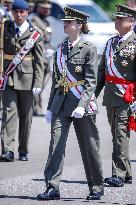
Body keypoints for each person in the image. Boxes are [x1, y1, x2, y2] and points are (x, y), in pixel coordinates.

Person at [37, 6, 104, 201]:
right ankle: (52, 187)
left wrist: (83, 105)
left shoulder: (89, 49)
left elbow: (91, 81)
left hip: (81, 105)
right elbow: (58, 81)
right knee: (55, 146)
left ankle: (96, 187)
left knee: (89, 146)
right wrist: (49, 106)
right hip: (61, 104)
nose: (65, 23)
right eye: (65, 21)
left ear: (79, 25)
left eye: (69, 21)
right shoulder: (61, 48)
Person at [95, 4, 136, 187]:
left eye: (121, 18)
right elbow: (102, 71)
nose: (117, 21)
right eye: (116, 18)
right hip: (111, 96)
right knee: (117, 134)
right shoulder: (111, 42)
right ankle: (126, 172)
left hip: (127, 97)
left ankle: (118, 175)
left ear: (131, 22)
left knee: (120, 135)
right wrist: (92, 95)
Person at [0, 0, 44, 162]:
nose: (18, 15)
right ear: (12, 12)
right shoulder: (6, 27)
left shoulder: (35, 33)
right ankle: (7, 150)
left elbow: (39, 62)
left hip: (28, 79)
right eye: (15, 11)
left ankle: (23, 150)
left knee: (26, 117)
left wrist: (38, 83)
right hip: (9, 77)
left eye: (21, 12)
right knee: (8, 113)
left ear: (27, 12)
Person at [30, 0, 52, 116]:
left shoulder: (47, 22)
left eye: (48, 9)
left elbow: (48, 39)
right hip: (38, 57)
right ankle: (35, 107)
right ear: (38, 9)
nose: (47, 11)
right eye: (44, 8)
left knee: (43, 83)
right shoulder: (34, 21)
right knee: (38, 83)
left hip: (46, 58)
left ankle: (36, 106)